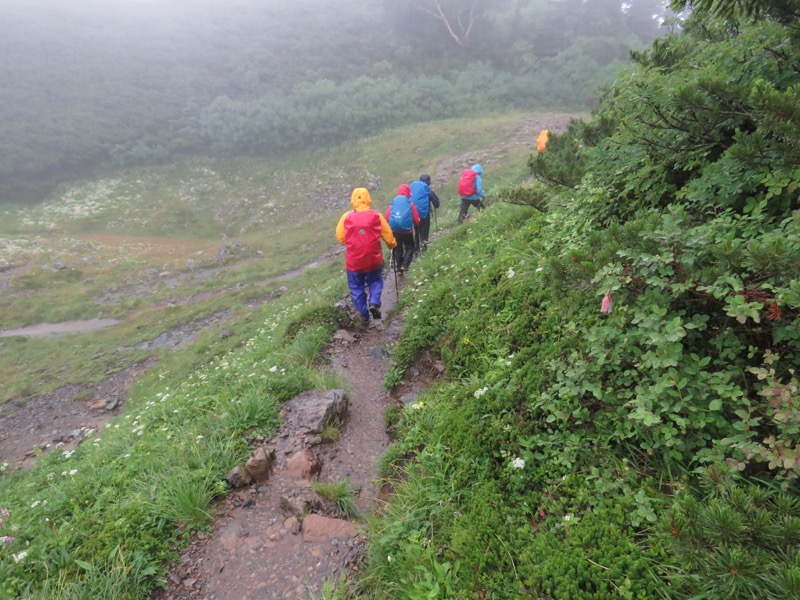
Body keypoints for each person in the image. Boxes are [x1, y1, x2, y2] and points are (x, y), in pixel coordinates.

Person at [336, 187, 396, 324]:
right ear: (368, 198)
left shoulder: (346, 217)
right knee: (375, 281)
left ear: (353, 200)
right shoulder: (376, 215)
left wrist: (352, 241)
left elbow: (340, 238)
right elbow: (387, 234)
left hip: (354, 262)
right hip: (373, 260)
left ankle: (364, 316)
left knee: (356, 288)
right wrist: (392, 245)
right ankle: (374, 302)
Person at [384, 184, 419, 275]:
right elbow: (415, 218)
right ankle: (405, 265)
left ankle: (399, 268)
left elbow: (387, 216)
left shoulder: (393, 202)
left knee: (398, 248)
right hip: (407, 231)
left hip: (395, 230)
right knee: (410, 247)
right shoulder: (409, 203)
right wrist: (416, 223)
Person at [409, 173, 441, 252]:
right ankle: (424, 249)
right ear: (428, 181)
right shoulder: (426, 188)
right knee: (424, 231)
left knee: (417, 231)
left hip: (413, 214)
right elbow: (436, 203)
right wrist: (435, 205)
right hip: (423, 214)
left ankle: (416, 250)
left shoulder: (413, 186)